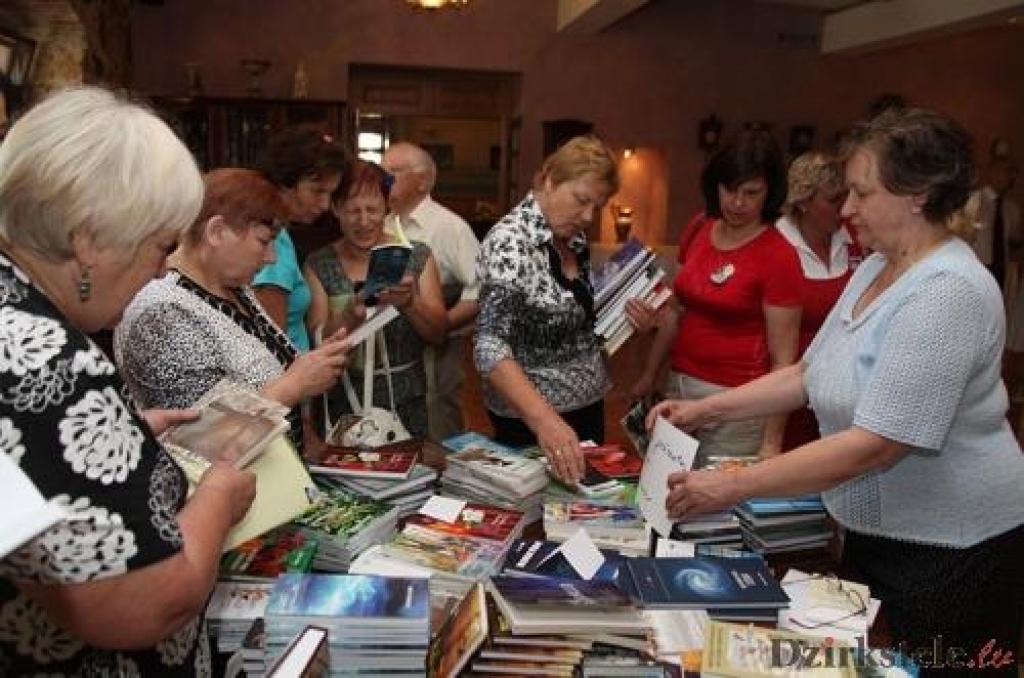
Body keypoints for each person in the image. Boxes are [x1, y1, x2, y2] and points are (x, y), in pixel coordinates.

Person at [650, 108, 1024, 676]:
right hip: (877, 532)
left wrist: (731, 485)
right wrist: (705, 409)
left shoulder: (948, 291)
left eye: (861, 193)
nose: (846, 209)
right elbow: (807, 373)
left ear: (917, 194)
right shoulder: (875, 265)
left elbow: (877, 444)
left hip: (952, 550)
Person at [0, 86, 256, 676]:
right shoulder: (50, 361)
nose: (164, 266)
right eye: (161, 244)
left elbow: (30, 467)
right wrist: (219, 497)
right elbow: (140, 605)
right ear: (89, 239)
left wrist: (125, 435)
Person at [115, 169, 351, 450]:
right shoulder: (160, 314)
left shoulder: (232, 286)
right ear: (216, 232)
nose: (271, 257)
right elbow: (201, 438)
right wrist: (296, 384)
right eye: (263, 241)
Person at [628, 130, 802, 465]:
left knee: (716, 506)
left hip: (738, 403)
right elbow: (677, 312)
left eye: (751, 193)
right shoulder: (699, 227)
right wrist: (650, 373)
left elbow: (785, 364)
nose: (737, 203)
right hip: (678, 389)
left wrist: (771, 443)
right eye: (729, 189)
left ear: (770, 192)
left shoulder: (780, 256)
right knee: (667, 490)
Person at [474, 135, 619, 483]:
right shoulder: (510, 241)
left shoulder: (572, 238)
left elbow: (575, 320)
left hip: (585, 408)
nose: (588, 216)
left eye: (596, 206)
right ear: (550, 180)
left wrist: (624, 318)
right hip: (534, 421)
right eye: (581, 200)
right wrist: (546, 420)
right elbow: (489, 346)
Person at [305, 160, 446, 438]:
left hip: (406, 401)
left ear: (387, 207)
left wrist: (409, 304)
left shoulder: (417, 256)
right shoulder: (318, 263)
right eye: (352, 211)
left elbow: (438, 333)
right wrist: (353, 314)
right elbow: (317, 342)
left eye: (372, 209)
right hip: (344, 405)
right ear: (335, 209)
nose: (363, 220)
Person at [382, 141, 481, 442]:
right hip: (392, 351)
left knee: (438, 424)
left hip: (436, 350)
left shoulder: (449, 226)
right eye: (381, 172)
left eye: (392, 172)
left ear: (422, 180)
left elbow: (483, 287)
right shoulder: (383, 221)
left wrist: (443, 323)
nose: (383, 180)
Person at [775, 151, 863, 449]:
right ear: (803, 201)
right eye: (833, 200)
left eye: (847, 197)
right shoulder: (777, 244)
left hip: (844, 388)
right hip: (789, 388)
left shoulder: (856, 239)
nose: (845, 209)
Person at [253, 127, 349, 351]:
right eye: (317, 191)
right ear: (286, 181)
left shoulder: (279, 231)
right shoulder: (273, 239)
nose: (325, 205)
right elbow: (272, 342)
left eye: (330, 194)